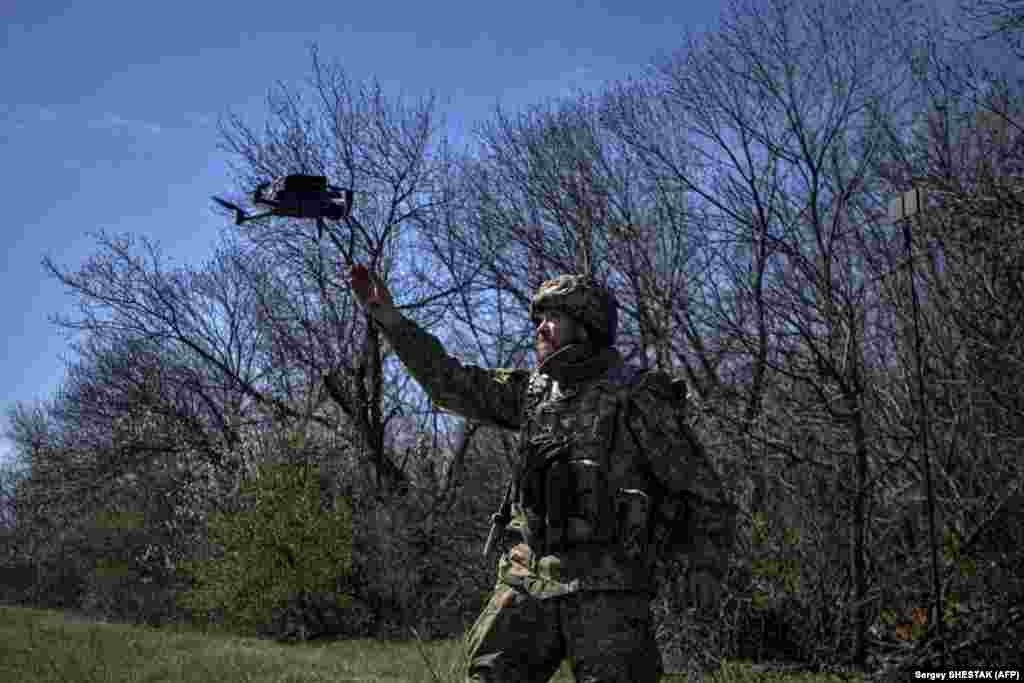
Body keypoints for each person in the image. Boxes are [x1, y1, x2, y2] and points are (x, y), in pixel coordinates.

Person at [350, 264, 737, 683]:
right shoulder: (535, 393)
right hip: (528, 579)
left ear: (586, 327)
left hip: (608, 592)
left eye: (554, 318)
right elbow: (451, 383)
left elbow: (703, 491)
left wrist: (704, 568)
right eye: (538, 319)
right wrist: (391, 321)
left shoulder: (637, 397)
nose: (541, 329)